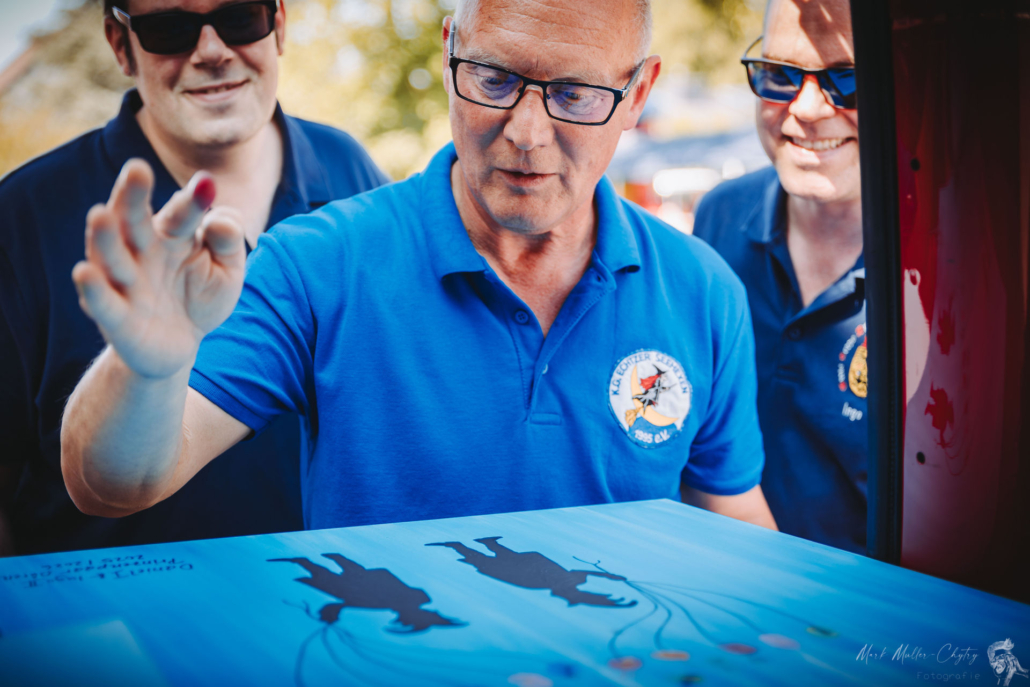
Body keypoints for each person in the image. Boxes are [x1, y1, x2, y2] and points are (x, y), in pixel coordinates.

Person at [61, 0, 778, 534]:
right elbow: (116, 485)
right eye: (493, 79)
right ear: (448, 54)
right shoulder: (319, 264)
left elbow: (735, 521)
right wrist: (144, 369)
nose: (527, 133)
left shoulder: (702, 291)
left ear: (638, 94)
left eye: (574, 95)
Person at [0, 0, 388, 555]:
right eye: (171, 28)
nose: (211, 51)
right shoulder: (23, 217)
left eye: (240, 18)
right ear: (120, 45)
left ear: (278, 23)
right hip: (109, 606)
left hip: (325, 597)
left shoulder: (351, 170)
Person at [692, 0, 866, 552]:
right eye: (780, 75)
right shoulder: (720, 217)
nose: (808, 108)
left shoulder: (955, 263)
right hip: (727, 576)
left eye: (848, 78)